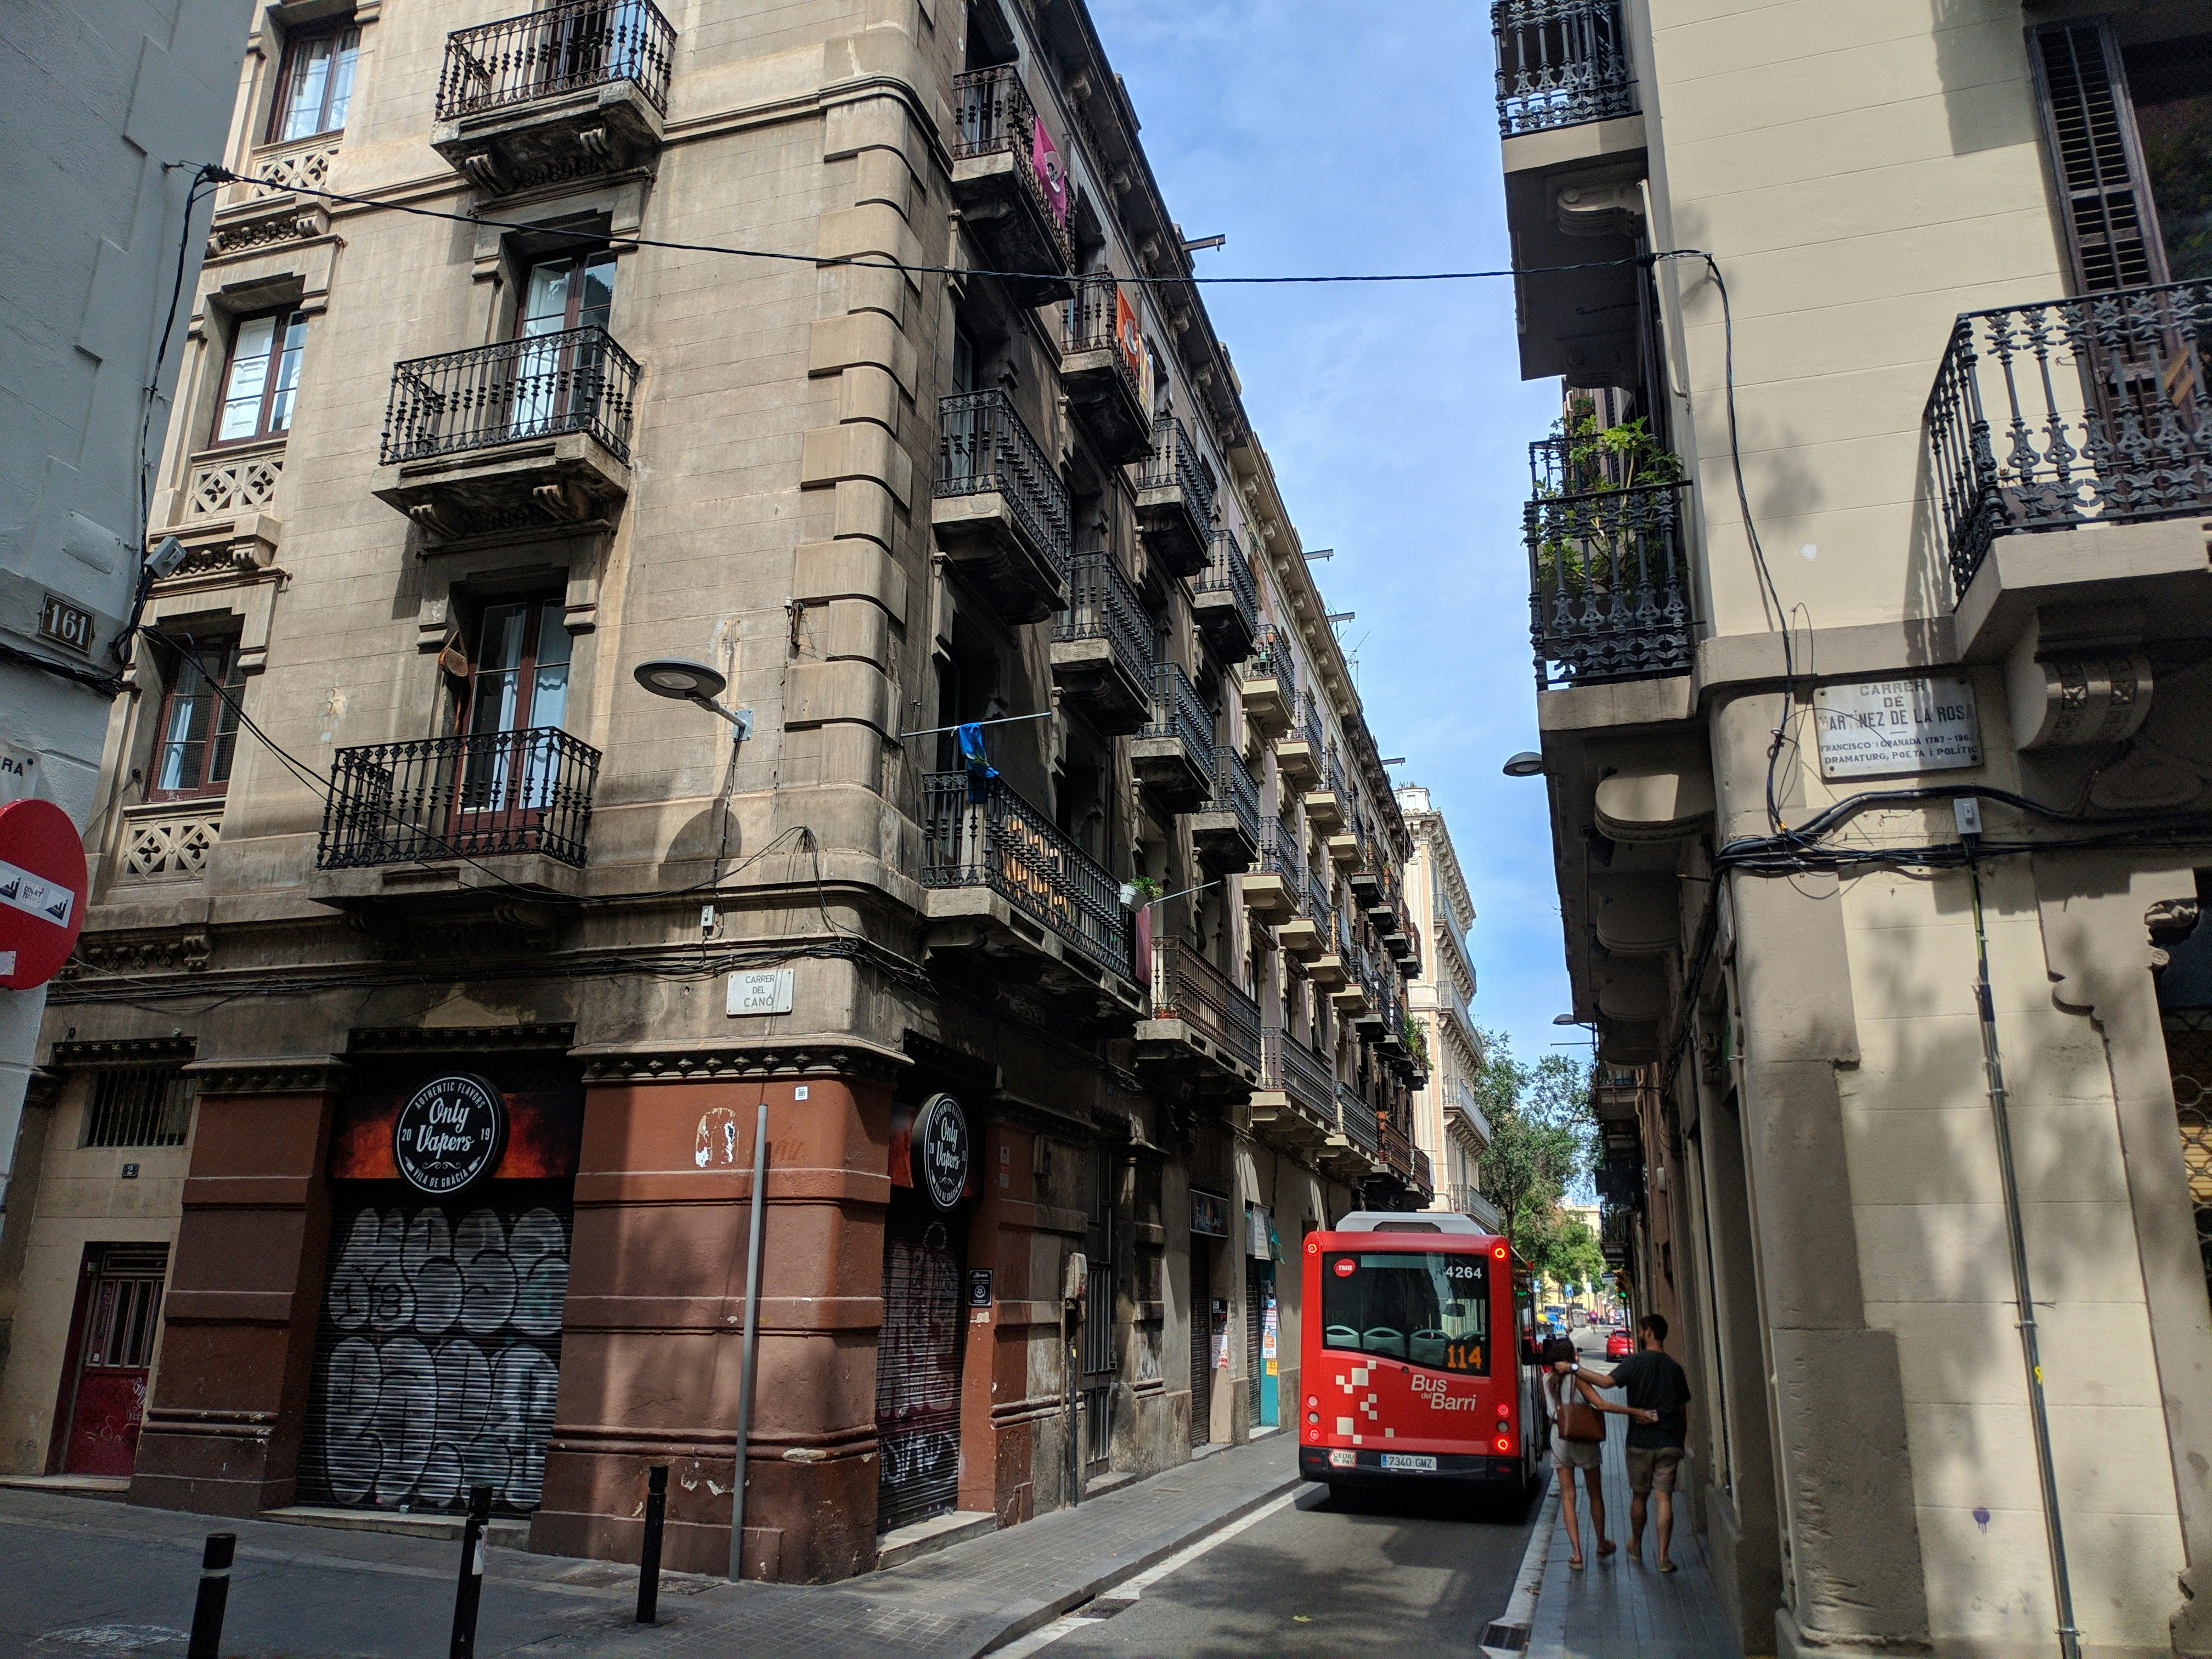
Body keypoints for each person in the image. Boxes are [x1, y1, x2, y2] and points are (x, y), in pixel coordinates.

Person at [1581, 1313, 1692, 1571]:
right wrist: (1680, 1440)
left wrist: (1576, 1369)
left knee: (1639, 1497)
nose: (1639, 1335)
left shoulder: (1635, 1362)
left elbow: (1606, 1383)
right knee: (1664, 1499)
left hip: (1640, 1443)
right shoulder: (1675, 1368)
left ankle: (1637, 1546)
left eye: (1641, 1331)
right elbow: (1682, 1411)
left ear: (1650, 1333)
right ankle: (1664, 1557)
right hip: (1669, 1443)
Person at [1541, 1336, 1642, 1570]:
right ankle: (1600, 1543)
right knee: (1595, 1494)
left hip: (1559, 1436)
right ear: (1572, 1357)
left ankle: (1576, 1554)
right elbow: (1602, 1405)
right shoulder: (1578, 1379)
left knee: (1568, 1495)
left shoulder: (1545, 1380)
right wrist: (1633, 1411)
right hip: (1584, 1436)